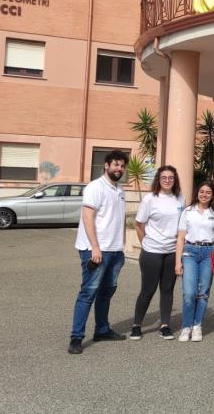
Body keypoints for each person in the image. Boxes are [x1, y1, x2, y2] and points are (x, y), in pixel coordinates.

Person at [68, 150, 130, 355]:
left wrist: (121, 247)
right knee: (88, 293)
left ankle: (102, 329)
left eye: (122, 166)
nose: (119, 169)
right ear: (106, 165)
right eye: (115, 165)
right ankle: (76, 337)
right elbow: (88, 217)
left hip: (114, 251)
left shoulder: (119, 190)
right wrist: (95, 247)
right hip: (96, 251)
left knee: (106, 292)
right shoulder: (95, 187)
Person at [130, 165, 185, 340]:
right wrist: (145, 243)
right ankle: (137, 325)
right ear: (158, 180)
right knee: (148, 290)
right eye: (164, 178)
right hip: (151, 252)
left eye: (171, 177)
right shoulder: (150, 199)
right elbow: (139, 224)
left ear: (174, 180)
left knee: (167, 290)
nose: (167, 180)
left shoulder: (180, 199)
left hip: (171, 252)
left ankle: (164, 325)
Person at [175, 181, 214, 342]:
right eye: (202, 191)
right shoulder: (188, 211)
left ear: (213, 195)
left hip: (209, 253)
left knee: (203, 292)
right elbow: (181, 238)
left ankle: (197, 326)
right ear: (197, 193)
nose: (204, 194)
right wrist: (177, 262)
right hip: (190, 252)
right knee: (189, 292)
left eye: (208, 192)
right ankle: (186, 326)